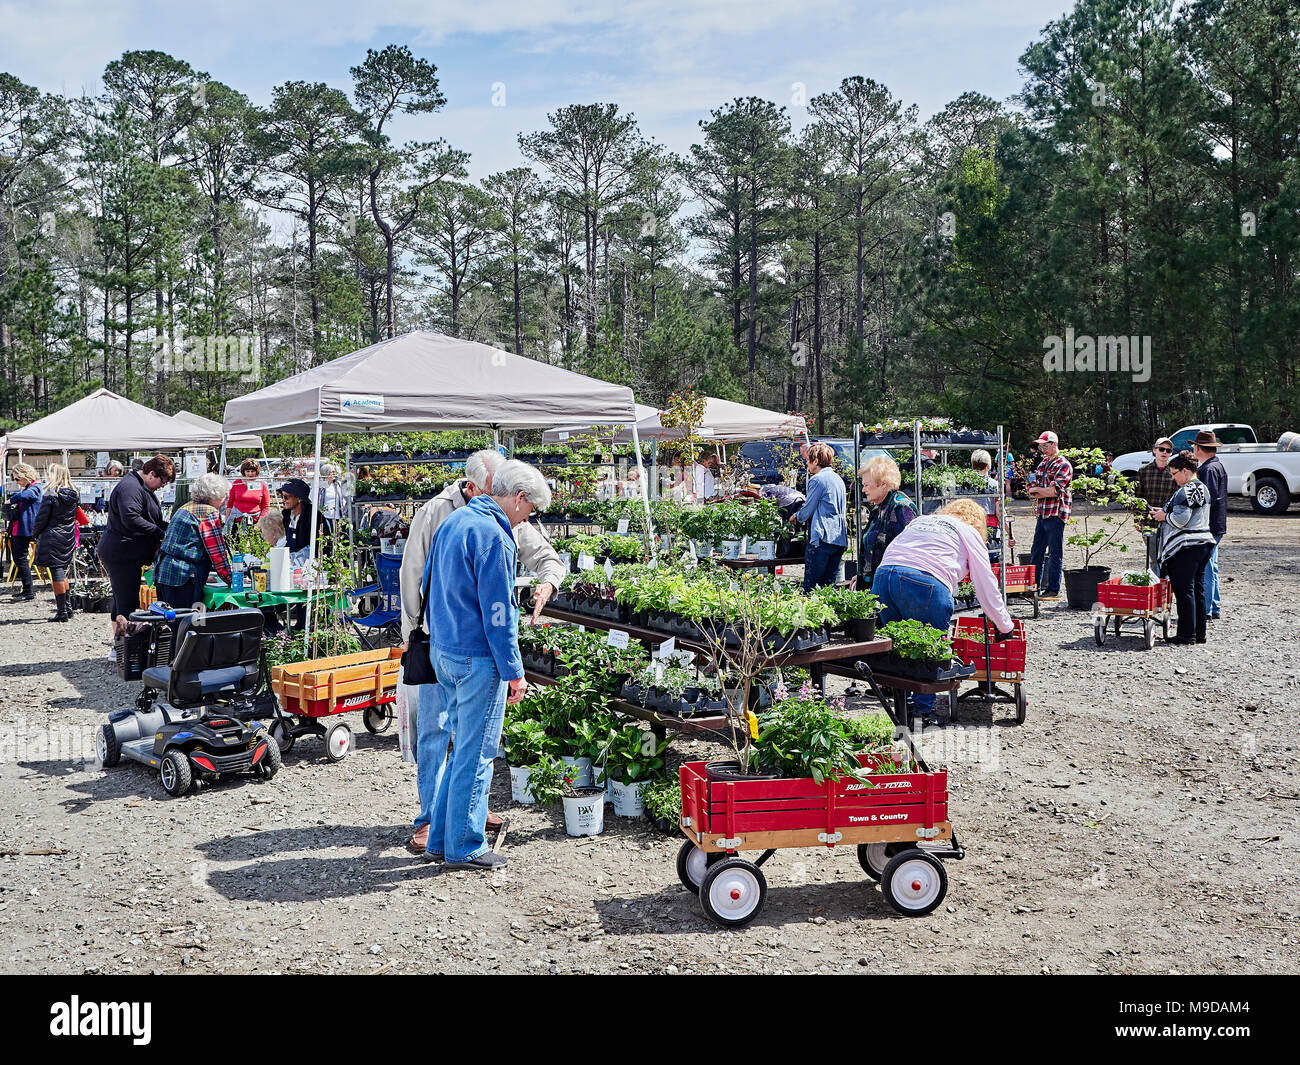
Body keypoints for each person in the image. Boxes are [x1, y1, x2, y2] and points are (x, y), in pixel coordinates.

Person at [400, 449, 566, 856]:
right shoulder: (495, 536)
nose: (527, 519)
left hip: (445, 650)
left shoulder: (455, 521)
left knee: (456, 754)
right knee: (477, 756)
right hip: (477, 658)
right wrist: (515, 671)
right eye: (531, 510)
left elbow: (427, 588)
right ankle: (465, 845)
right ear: (520, 497)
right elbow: (499, 614)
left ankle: (439, 837)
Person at [872, 498, 1015, 725]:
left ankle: (903, 706)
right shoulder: (968, 531)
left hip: (883, 577)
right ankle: (922, 714)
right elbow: (986, 585)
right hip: (925, 582)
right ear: (977, 522)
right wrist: (1005, 626)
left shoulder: (922, 521)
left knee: (898, 647)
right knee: (930, 649)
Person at [97, 455, 173, 635]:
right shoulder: (130, 487)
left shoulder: (139, 486)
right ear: (151, 474)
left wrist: (170, 529)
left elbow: (151, 518)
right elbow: (131, 518)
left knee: (121, 599)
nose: (162, 486)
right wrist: (159, 533)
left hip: (125, 552)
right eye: (162, 482)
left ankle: (119, 645)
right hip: (122, 553)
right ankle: (123, 646)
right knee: (127, 602)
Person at [1151, 452, 1215, 644]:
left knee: (1184, 590)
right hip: (1203, 543)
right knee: (1197, 590)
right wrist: (1163, 511)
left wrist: (1164, 517)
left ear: (1185, 471)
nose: (1173, 477)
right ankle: (1199, 633)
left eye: (1174, 473)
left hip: (1187, 546)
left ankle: (1186, 635)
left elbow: (1181, 519)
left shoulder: (1187, 490)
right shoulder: (1202, 487)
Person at [154, 473, 234, 608]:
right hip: (182, 576)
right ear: (214, 495)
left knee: (172, 621)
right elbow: (217, 553)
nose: (225, 499)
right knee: (189, 622)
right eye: (224, 495)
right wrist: (232, 580)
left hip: (166, 572)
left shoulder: (186, 507)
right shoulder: (208, 512)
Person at [791, 441, 847, 591]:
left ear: (816, 461)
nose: (807, 463)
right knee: (829, 587)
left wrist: (796, 516)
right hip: (839, 538)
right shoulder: (838, 480)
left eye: (808, 460)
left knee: (812, 587)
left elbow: (807, 511)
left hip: (822, 537)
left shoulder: (817, 479)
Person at [856, 454, 918, 587]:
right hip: (874, 584)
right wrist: (862, 574)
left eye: (867, 485)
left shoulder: (901, 508)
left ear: (883, 484)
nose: (863, 489)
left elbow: (906, 557)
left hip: (891, 588)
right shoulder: (878, 508)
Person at [1026, 430, 1073, 601]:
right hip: (1043, 513)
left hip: (1056, 513)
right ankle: (1033, 588)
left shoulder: (1064, 465)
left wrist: (1039, 490)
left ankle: (1053, 589)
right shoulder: (1042, 464)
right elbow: (1032, 490)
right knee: (1036, 552)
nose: (1042, 450)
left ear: (1054, 445)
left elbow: (1054, 491)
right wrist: (1040, 491)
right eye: (1041, 447)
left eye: (1045, 446)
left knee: (1055, 552)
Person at [31, 464, 79, 622]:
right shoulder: (74, 494)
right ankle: (68, 608)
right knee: (62, 571)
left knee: (56, 572)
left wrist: (34, 534)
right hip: (68, 535)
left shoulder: (51, 494)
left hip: (52, 535)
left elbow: (41, 518)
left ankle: (62, 612)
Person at [1193, 430, 1227, 621]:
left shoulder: (1207, 469)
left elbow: (1208, 499)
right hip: (1217, 523)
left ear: (1198, 448)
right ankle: (1213, 607)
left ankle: (1205, 609)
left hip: (1209, 524)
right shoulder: (1217, 465)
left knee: (1205, 567)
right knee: (1211, 566)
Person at [1136, 437, 1176, 571]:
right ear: (1154, 450)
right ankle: (1156, 589)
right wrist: (1138, 519)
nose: (1164, 452)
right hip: (1149, 523)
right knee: (1153, 560)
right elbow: (1137, 497)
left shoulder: (1176, 472)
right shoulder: (1143, 471)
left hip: (1170, 524)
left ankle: (1167, 590)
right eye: (1161, 449)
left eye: (1168, 450)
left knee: (1169, 559)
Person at [6, 463, 43, 601]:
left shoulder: (35, 487)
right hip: (20, 528)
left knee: (20, 559)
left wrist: (11, 500)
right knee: (18, 558)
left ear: (25, 476)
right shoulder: (30, 487)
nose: (17, 482)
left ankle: (29, 590)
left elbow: (26, 495)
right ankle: (27, 589)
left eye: (17, 479)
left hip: (26, 529)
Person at [278, 478, 328, 565]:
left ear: (299, 499)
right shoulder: (286, 515)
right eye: (282, 496)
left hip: (310, 566)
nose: (283, 500)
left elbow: (321, 546)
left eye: (286, 497)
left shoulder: (313, 516)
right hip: (291, 564)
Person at [225, 458, 271, 532]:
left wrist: (259, 523)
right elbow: (229, 504)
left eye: (252, 471)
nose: (250, 474)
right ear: (244, 472)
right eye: (247, 471)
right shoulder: (237, 483)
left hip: (255, 521)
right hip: (237, 520)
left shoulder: (262, 485)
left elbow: (266, 507)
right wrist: (227, 520)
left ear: (257, 472)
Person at [317, 464, 348, 534]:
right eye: (332, 472)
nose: (334, 473)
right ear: (326, 473)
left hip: (338, 516)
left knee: (338, 536)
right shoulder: (321, 486)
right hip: (325, 517)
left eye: (335, 472)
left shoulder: (338, 485)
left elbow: (344, 498)